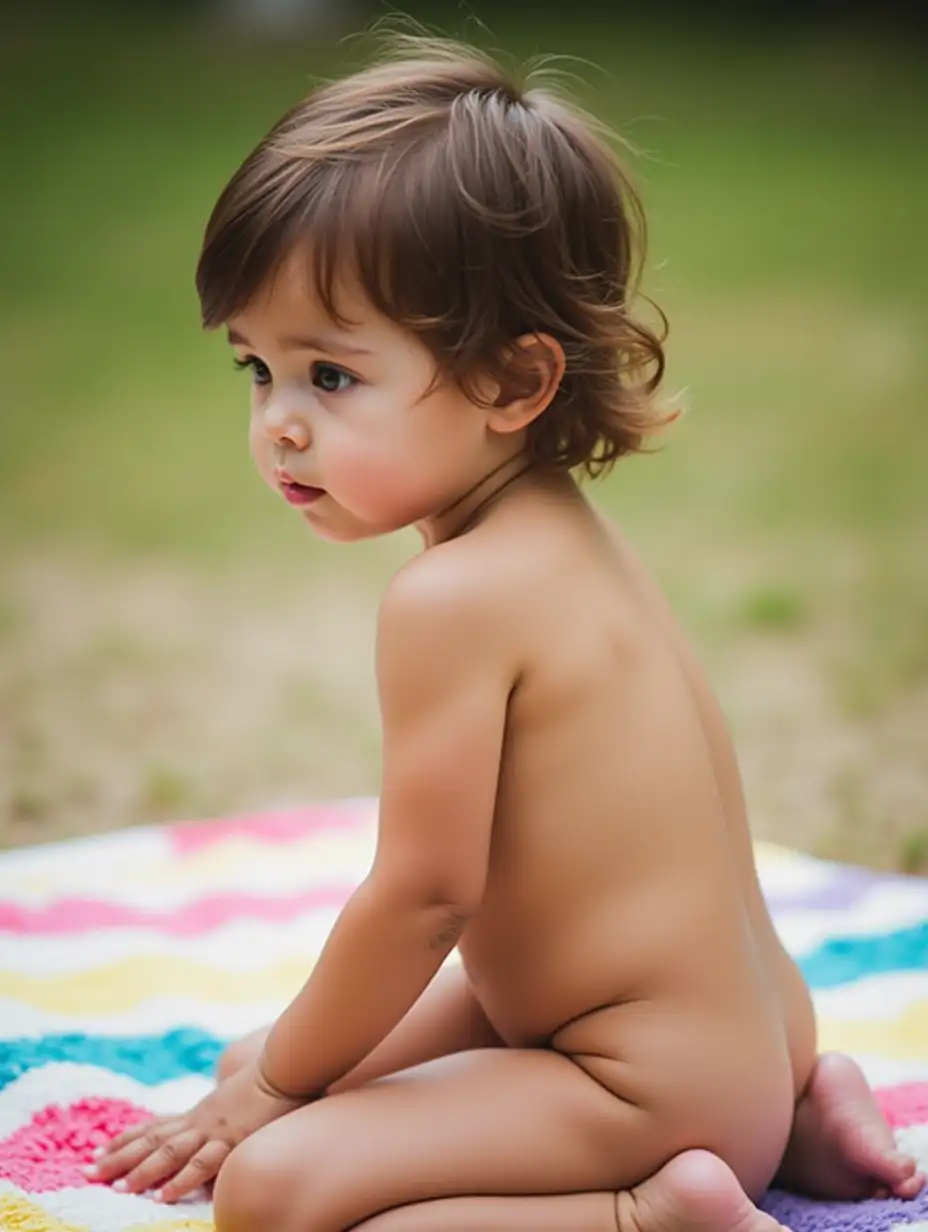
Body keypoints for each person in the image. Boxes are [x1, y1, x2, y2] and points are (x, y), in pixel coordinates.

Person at [87, 33, 924, 1232]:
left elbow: (424, 896)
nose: (277, 422)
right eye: (255, 368)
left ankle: (657, 1210)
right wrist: (270, 1074)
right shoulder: (568, 537)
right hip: (737, 1028)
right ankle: (796, 1112)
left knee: (270, 1180)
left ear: (513, 382)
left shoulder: (450, 598)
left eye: (329, 375)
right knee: (250, 1063)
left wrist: (280, 1093)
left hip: (641, 1079)